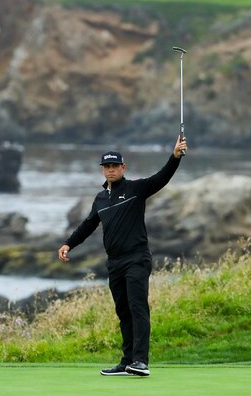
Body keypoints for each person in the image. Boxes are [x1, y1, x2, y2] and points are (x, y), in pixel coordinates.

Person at [58, 135, 188, 377]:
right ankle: (127, 361)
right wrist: (68, 244)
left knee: (138, 308)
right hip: (114, 263)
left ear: (123, 168)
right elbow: (88, 225)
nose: (110, 170)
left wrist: (175, 157)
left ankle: (141, 361)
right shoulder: (100, 199)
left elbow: (161, 178)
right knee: (123, 312)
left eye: (114, 166)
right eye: (106, 167)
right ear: (102, 170)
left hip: (137, 258)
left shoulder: (136, 189)